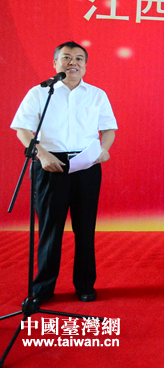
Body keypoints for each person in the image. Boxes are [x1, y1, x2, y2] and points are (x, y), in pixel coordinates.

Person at [11, 41, 117, 303]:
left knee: (85, 228)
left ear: (85, 65)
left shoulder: (97, 94)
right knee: (50, 229)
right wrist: (41, 154)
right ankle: (43, 289)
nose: (73, 62)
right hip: (50, 165)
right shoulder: (40, 93)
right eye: (67, 57)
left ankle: (85, 285)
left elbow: (108, 129)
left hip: (86, 165)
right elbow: (22, 129)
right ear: (55, 63)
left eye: (79, 58)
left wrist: (104, 149)